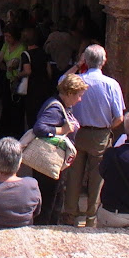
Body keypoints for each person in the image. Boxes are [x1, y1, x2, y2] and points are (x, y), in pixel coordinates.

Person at [61, 44, 125, 227]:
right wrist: (107, 128)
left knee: (74, 174)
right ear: (104, 61)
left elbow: (60, 82)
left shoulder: (77, 81)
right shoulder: (111, 85)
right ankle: (91, 217)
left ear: (85, 60)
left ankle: (70, 213)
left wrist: (76, 64)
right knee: (97, 178)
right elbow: (119, 117)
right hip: (100, 134)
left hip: (77, 132)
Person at [31, 74, 87, 225]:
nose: (80, 99)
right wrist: (62, 130)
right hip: (49, 163)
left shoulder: (62, 106)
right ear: (69, 93)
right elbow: (40, 128)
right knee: (48, 204)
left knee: (55, 202)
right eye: (79, 95)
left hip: (55, 163)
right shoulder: (56, 107)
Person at [18, 27, 52, 129]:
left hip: (32, 88)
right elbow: (49, 71)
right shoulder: (43, 52)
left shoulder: (26, 54)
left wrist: (17, 75)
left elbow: (27, 71)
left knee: (31, 117)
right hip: (44, 87)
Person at [0, 23, 26, 139]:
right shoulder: (5, 45)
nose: (7, 39)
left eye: (9, 36)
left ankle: (17, 134)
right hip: (7, 78)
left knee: (17, 109)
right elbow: (0, 59)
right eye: (5, 36)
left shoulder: (22, 48)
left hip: (17, 81)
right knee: (6, 107)